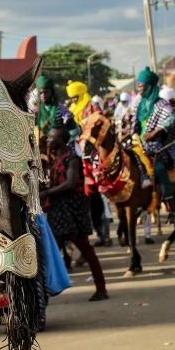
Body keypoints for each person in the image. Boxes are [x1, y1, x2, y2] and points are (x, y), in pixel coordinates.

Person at [41, 125, 109, 301]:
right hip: (58, 211)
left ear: (61, 140)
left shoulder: (72, 159)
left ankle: (101, 288)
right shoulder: (55, 161)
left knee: (86, 250)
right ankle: (43, 297)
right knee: (49, 253)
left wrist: (47, 192)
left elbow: (70, 183)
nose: (48, 140)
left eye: (51, 138)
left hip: (72, 211)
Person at [131, 67, 175, 201]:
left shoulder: (161, 104)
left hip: (158, 146)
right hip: (138, 144)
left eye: (141, 86)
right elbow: (135, 126)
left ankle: (168, 198)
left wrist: (154, 132)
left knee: (158, 167)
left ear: (149, 87)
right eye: (139, 86)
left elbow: (173, 118)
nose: (139, 89)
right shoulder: (139, 105)